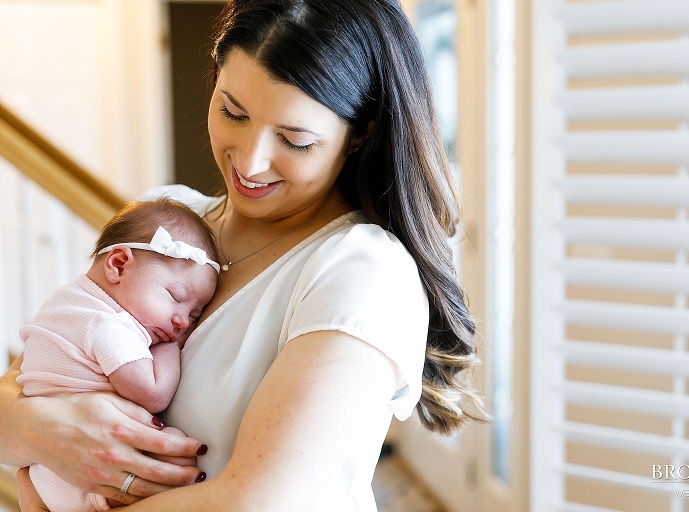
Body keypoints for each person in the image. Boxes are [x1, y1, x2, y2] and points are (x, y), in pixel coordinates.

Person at [0, 0, 488, 510]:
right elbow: (45, 362)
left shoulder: (362, 271)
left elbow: (254, 502)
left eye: (294, 140)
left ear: (359, 133)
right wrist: (39, 432)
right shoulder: (170, 224)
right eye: (233, 111)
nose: (250, 163)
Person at [17, 198, 220, 512]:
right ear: (118, 265)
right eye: (175, 297)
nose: (182, 322)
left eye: (195, 315)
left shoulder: (70, 301)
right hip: (83, 476)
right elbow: (152, 394)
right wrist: (170, 347)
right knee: (176, 454)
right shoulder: (108, 324)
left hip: (47, 469)